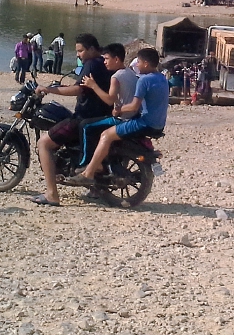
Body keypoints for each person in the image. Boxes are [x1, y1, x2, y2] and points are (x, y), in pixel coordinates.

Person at [29, 34, 113, 206]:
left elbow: (77, 89)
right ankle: (95, 189)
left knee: (44, 143)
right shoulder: (105, 63)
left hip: (85, 117)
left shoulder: (91, 63)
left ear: (91, 49)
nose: (78, 55)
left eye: (80, 51)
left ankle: (52, 194)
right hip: (102, 115)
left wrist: (49, 89)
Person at [67, 49, 169, 187]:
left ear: (145, 63)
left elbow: (133, 106)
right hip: (158, 124)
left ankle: (88, 173)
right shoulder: (162, 78)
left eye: (138, 62)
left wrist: (118, 110)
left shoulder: (144, 80)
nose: (136, 65)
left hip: (145, 123)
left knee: (105, 135)